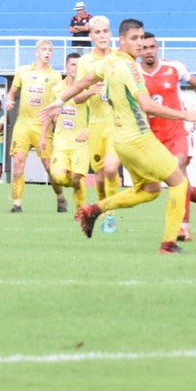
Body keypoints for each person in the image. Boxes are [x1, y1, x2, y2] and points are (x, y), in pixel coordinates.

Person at [43, 18, 196, 255]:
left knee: (150, 190)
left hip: (122, 142)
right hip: (139, 139)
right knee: (179, 183)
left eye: (141, 38)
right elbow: (147, 106)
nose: (139, 44)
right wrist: (184, 115)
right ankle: (169, 243)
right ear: (123, 40)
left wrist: (58, 101)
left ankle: (94, 209)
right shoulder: (130, 68)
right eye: (134, 39)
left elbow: (84, 81)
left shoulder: (109, 62)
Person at [140, 31, 196, 241]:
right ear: (139, 51)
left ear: (157, 48)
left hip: (179, 130)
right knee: (175, 182)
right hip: (153, 135)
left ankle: (183, 227)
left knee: (178, 169)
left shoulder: (174, 67)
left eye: (151, 47)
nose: (148, 51)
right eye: (144, 48)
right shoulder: (135, 75)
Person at [5, 39, 66, 213]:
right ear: (36, 52)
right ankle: (16, 204)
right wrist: (9, 101)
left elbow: (57, 102)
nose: (47, 52)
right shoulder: (23, 71)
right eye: (44, 49)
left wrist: (56, 120)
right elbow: (12, 93)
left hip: (42, 126)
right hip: (23, 124)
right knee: (18, 163)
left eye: (50, 50)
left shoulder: (55, 76)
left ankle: (60, 197)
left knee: (50, 168)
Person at [74, 15, 121, 233]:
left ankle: (111, 215)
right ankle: (102, 209)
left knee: (112, 169)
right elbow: (76, 98)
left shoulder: (120, 58)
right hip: (96, 125)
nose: (102, 36)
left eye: (105, 32)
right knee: (100, 177)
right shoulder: (85, 63)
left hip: (117, 124)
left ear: (110, 34)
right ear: (91, 36)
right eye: (98, 32)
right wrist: (89, 91)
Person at [42, 53, 90, 212]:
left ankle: (80, 211)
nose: (75, 68)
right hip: (61, 141)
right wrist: (43, 137)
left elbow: (96, 113)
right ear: (66, 67)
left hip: (80, 143)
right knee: (57, 176)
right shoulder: (57, 89)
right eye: (73, 64)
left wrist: (88, 130)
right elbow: (49, 113)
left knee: (78, 177)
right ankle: (74, 185)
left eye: (79, 65)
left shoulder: (88, 89)